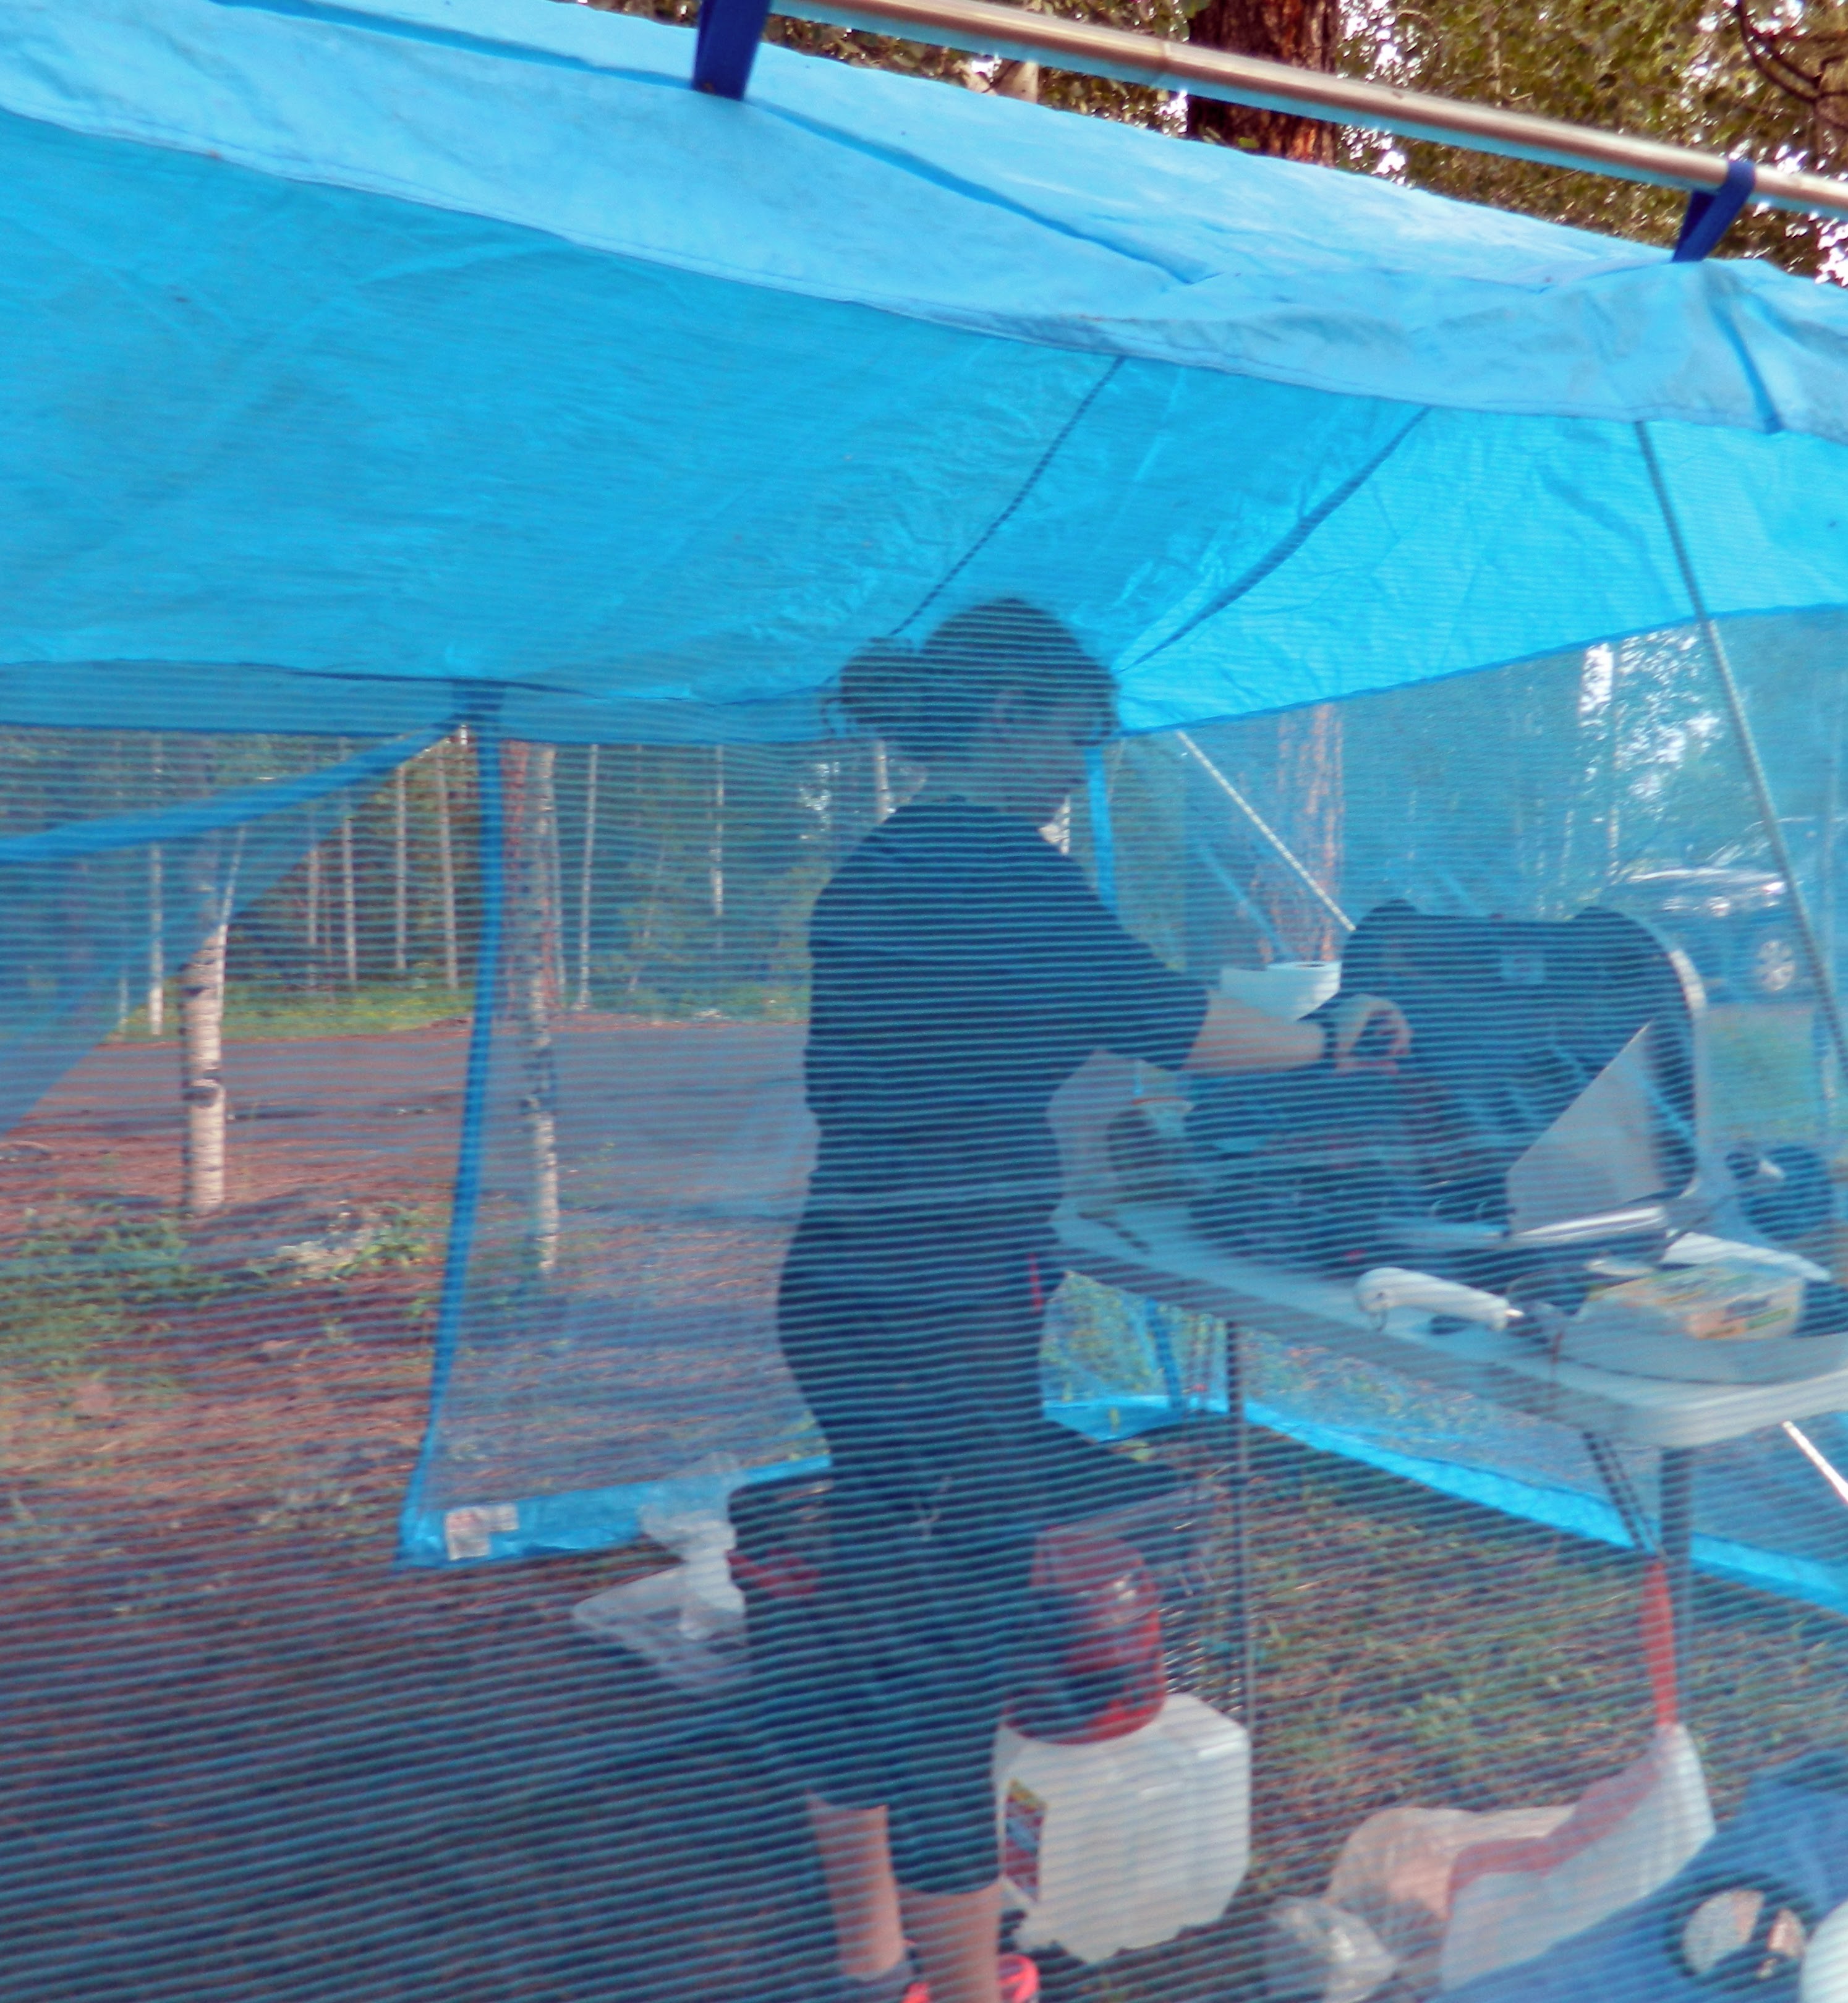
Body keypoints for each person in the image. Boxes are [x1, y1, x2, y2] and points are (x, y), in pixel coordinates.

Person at [773, 600, 1410, 2003]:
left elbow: (1032, 1021)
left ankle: (871, 1958)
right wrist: (1322, 1042)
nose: (1081, 769)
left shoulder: (882, 864)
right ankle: (953, 1985)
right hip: (938, 1309)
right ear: (1007, 716)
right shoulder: (1003, 868)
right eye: (1074, 737)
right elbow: (1165, 1019)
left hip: (841, 1285)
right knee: (945, 1664)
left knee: (867, 1606)